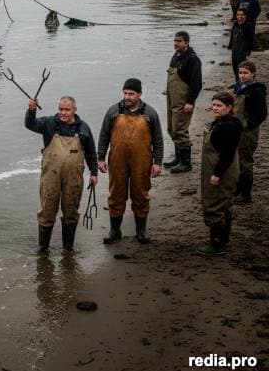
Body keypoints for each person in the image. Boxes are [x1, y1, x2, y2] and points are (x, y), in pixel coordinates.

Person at [25, 96, 98, 254]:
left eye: (67, 110)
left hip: (74, 177)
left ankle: (68, 247)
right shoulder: (49, 123)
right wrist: (31, 110)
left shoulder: (83, 128)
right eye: (61, 109)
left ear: (74, 110)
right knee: (47, 208)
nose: (63, 113)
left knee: (71, 209)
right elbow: (30, 124)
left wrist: (94, 173)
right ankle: (43, 247)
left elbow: (91, 152)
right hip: (51, 175)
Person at [97, 78, 163, 244]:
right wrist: (100, 158)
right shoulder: (113, 111)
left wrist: (158, 162)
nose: (127, 97)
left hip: (142, 161)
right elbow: (104, 136)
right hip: (117, 160)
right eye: (125, 93)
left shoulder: (150, 113)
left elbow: (158, 140)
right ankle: (114, 231)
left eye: (131, 94)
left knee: (140, 194)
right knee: (116, 194)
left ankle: (141, 231)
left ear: (139, 94)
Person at [197, 92, 242, 255]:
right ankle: (224, 240)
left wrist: (217, 174)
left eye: (219, 106)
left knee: (214, 205)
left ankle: (216, 244)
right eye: (214, 105)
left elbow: (228, 154)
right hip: (220, 168)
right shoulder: (222, 122)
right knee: (225, 203)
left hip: (222, 170)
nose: (215, 108)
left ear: (229, 108)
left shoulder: (229, 126)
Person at [164, 31, 202, 173]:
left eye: (179, 41)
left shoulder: (192, 59)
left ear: (187, 42)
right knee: (171, 129)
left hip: (183, 100)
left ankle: (186, 163)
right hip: (171, 98)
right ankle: (178, 158)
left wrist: (190, 102)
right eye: (174, 41)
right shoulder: (175, 56)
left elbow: (196, 83)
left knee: (180, 130)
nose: (176, 44)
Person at [232, 61, 267, 204]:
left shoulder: (257, 91)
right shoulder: (239, 85)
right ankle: (237, 188)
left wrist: (248, 125)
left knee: (245, 161)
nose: (242, 76)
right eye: (240, 73)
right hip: (235, 128)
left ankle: (245, 194)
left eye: (245, 73)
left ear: (253, 73)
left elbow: (262, 114)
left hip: (248, 132)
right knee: (235, 159)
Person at [228, 9, 255, 82]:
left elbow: (251, 40)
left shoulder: (248, 26)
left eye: (242, 15)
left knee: (242, 68)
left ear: (245, 16)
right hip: (234, 49)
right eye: (238, 14)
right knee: (235, 67)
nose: (239, 16)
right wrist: (230, 45)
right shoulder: (235, 24)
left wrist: (248, 51)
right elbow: (232, 36)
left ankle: (244, 83)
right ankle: (237, 83)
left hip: (242, 51)